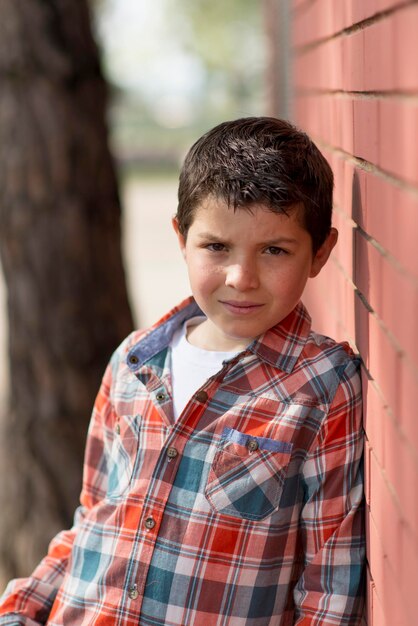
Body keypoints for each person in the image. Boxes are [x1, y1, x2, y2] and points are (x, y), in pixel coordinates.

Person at [0, 117, 365, 625]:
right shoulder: (133, 361)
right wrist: (20, 610)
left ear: (320, 253)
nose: (242, 278)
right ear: (181, 237)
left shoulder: (322, 385)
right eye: (217, 247)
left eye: (275, 250)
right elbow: (92, 521)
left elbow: (330, 586)